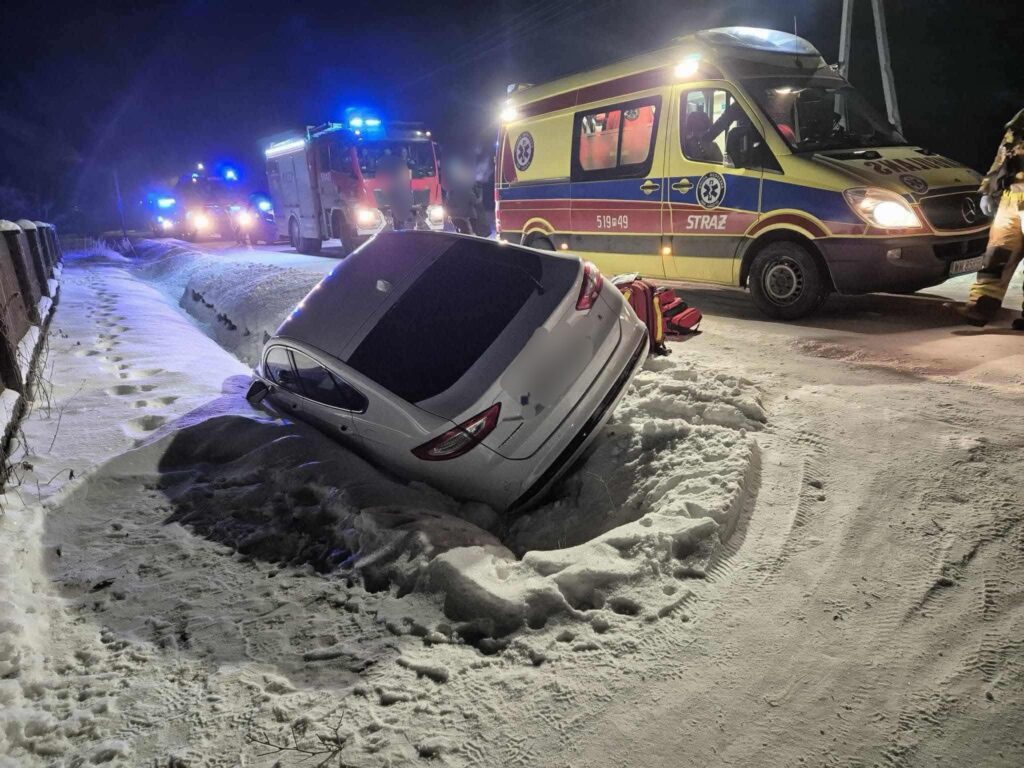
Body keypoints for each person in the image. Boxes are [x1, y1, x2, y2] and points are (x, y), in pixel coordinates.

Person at [958, 108, 1024, 329]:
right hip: (1011, 198)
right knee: (997, 255)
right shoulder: (1019, 123)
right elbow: (1001, 158)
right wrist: (987, 190)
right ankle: (981, 306)